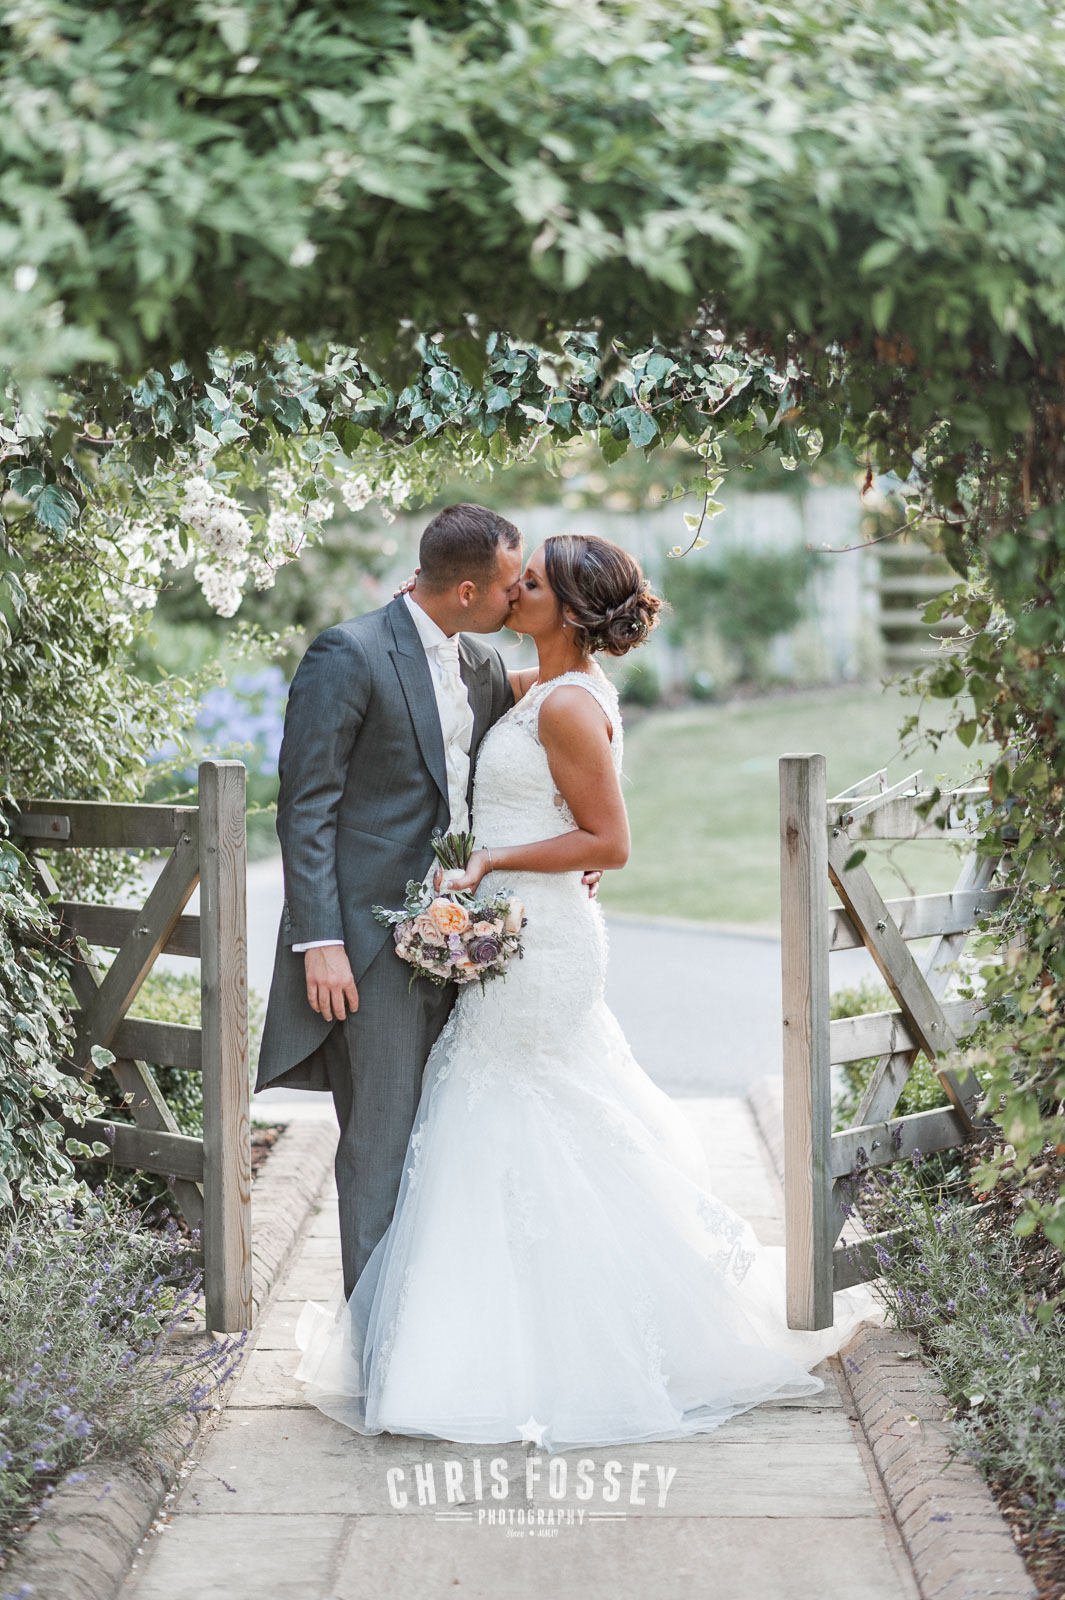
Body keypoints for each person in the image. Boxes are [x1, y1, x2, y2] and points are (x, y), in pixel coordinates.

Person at [292, 532, 886, 1452]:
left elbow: (608, 841)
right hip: (503, 936)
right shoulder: (519, 684)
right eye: (510, 578)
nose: (513, 592)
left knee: (519, 1117)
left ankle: (558, 1351)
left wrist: (500, 858)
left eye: (528, 583)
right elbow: (456, 743)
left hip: (542, 946)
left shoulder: (563, 703)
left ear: (565, 610)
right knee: (493, 1123)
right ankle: (483, 1338)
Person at [255, 504, 599, 1300]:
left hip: (468, 947)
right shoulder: (348, 653)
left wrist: (574, 843)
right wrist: (321, 941)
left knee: (451, 1143)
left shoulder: (479, 666)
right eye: (515, 585)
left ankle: (441, 1330)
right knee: (377, 1147)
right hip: (367, 952)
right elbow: (305, 807)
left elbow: (560, 724)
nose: (521, 598)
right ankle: (376, 1353)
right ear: (471, 589)